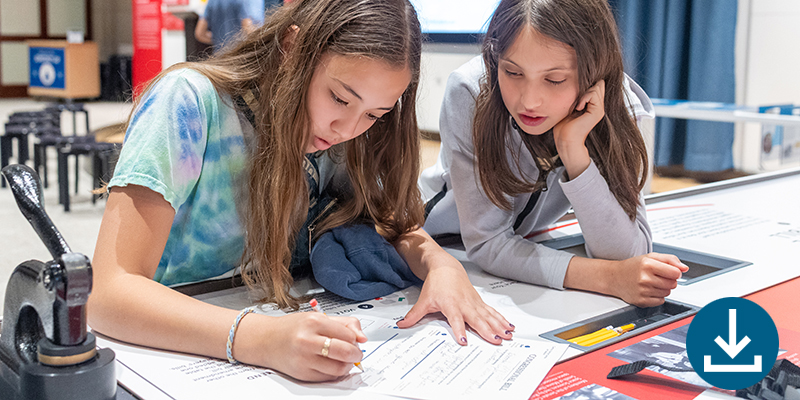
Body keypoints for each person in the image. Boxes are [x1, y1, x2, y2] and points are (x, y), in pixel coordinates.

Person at [88, 0, 513, 383]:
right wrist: (260, 339)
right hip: (161, 350)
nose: (348, 129)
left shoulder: (341, 137)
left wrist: (441, 265)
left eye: (375, 114)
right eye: (340, 98)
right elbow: (109, 292)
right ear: (292, 48)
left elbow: (387, 218)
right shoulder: (189, 103)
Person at [419, 0, 689, 308]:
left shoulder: (618, 103)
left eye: (555, 80)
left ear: (593, 70)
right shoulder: (471, 91)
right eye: (512, 72)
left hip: (526, 244)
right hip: (443, 242)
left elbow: (629, 255)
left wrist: (574, 152)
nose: (529, 101)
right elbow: (487, 242)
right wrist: (608, 278)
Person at [194, 0, 266, 50]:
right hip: (239, 58)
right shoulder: (249, 1)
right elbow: (249, 31)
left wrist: (221, 42)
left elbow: (200, 34)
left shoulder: (212, 1)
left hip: (219, 58)